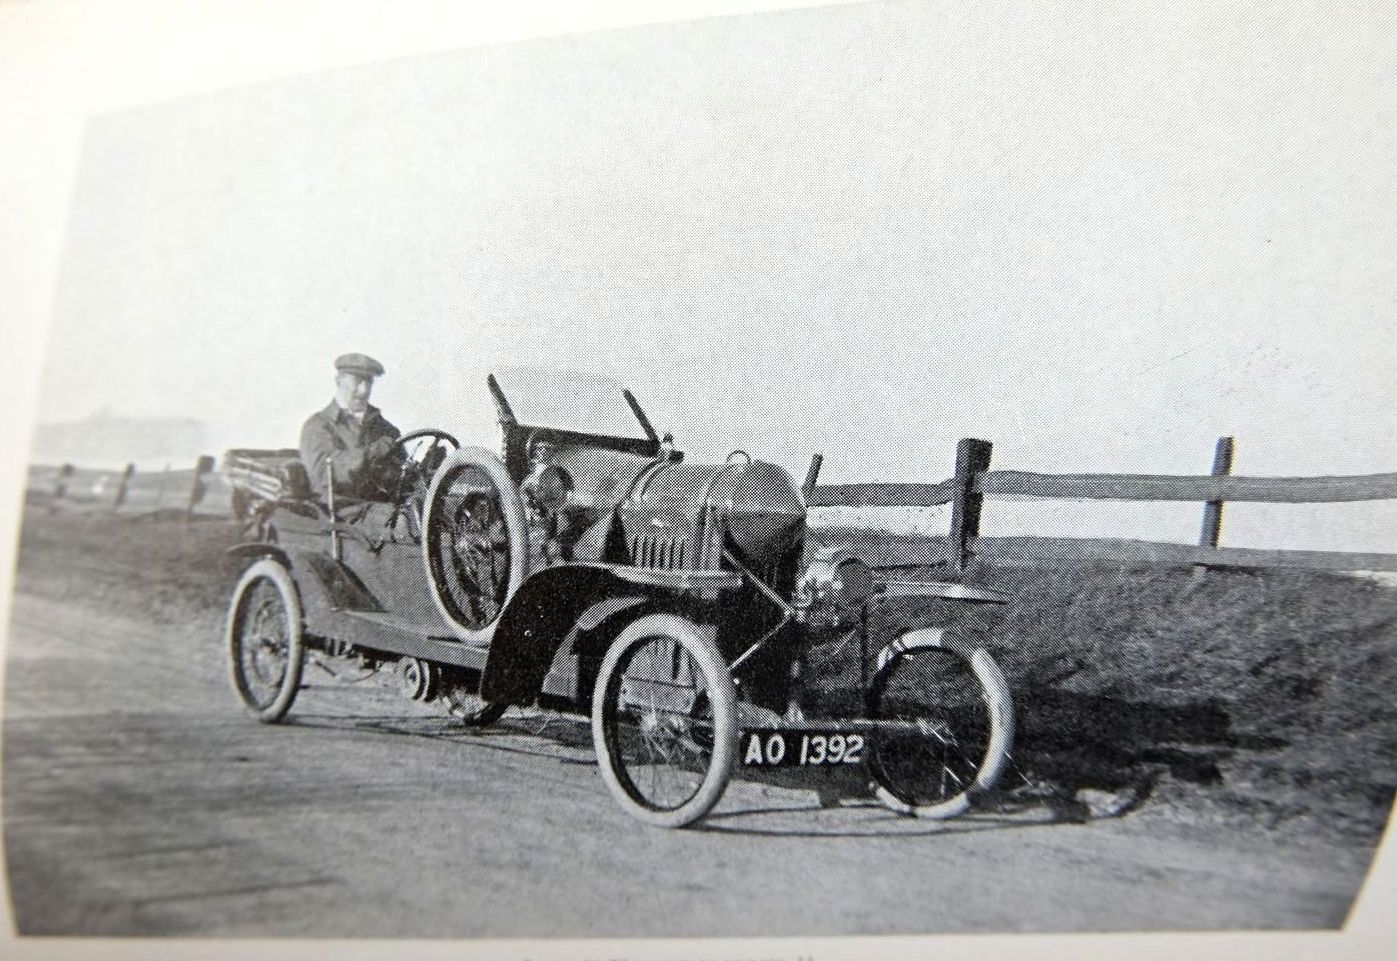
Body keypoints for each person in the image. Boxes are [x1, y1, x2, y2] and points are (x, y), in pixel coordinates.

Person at [299, 353, 403, 501]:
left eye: (369, 382)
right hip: (342, 509)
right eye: (358, 380)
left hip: (385, 508)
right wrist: (370, 455)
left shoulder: (386, 429)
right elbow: (324, 474)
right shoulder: (317, 427)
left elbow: (402, 478)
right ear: (339, 381)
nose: (364, 390)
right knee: (398, 517)